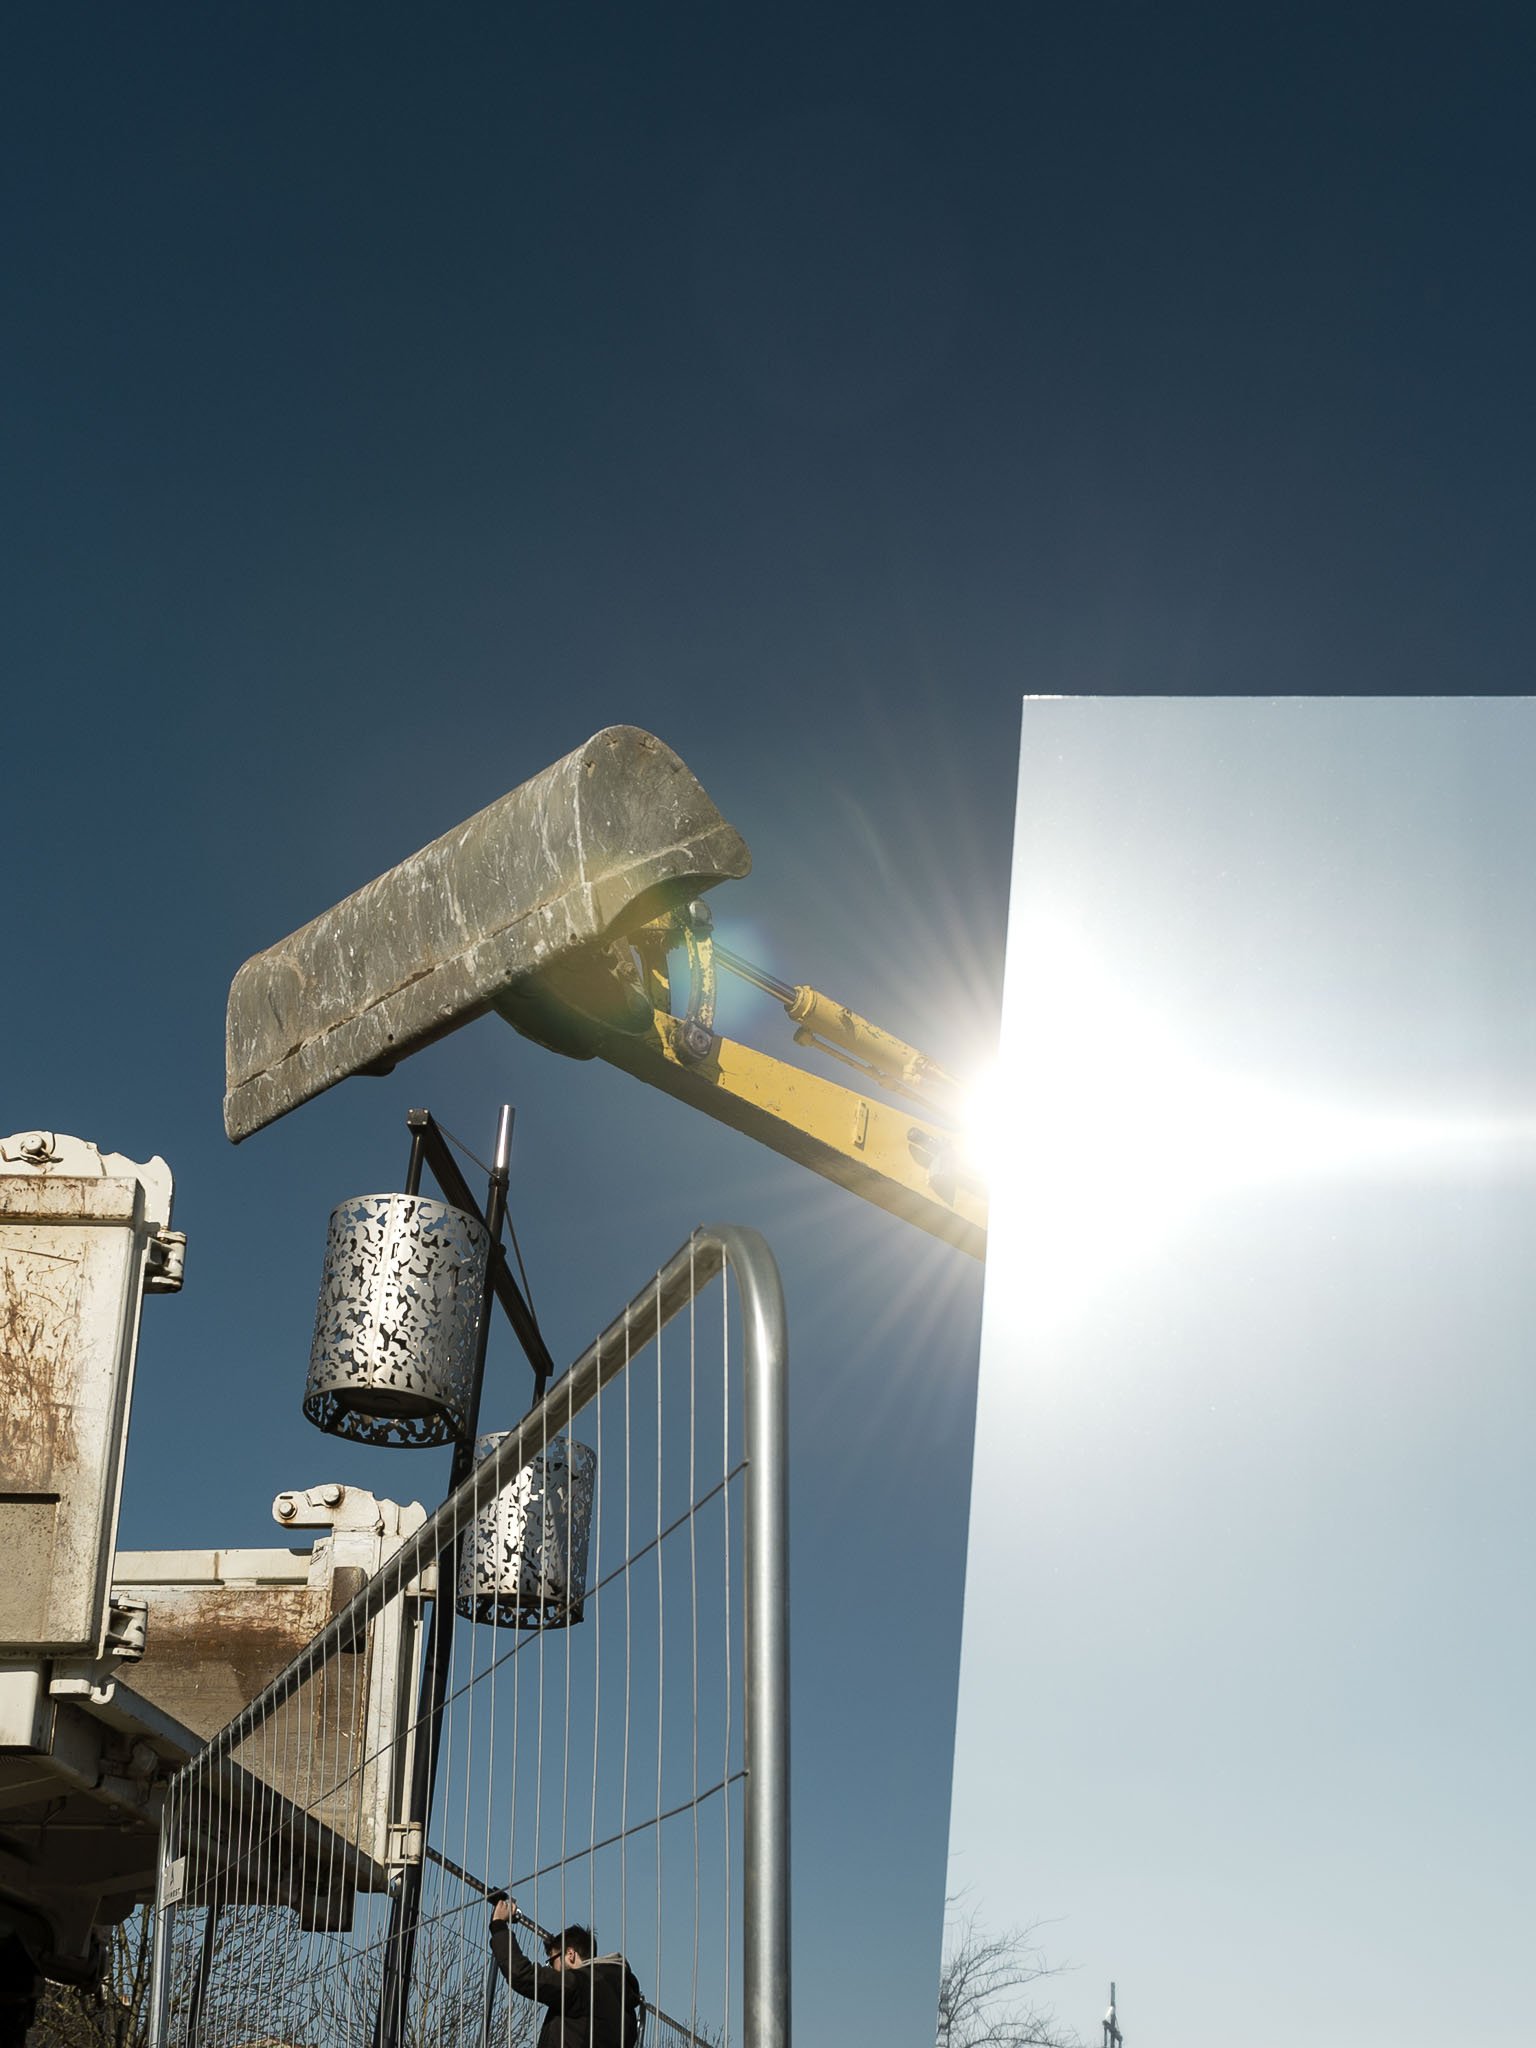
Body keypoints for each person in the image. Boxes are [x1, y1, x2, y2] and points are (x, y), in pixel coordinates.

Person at [489, 1897, 642, 2048]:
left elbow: (523, 1975)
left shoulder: (582, 1985)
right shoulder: (627, 2009)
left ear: (570, 1954)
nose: (551, 1969)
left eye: (553, 1960)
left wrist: (499, 1925)